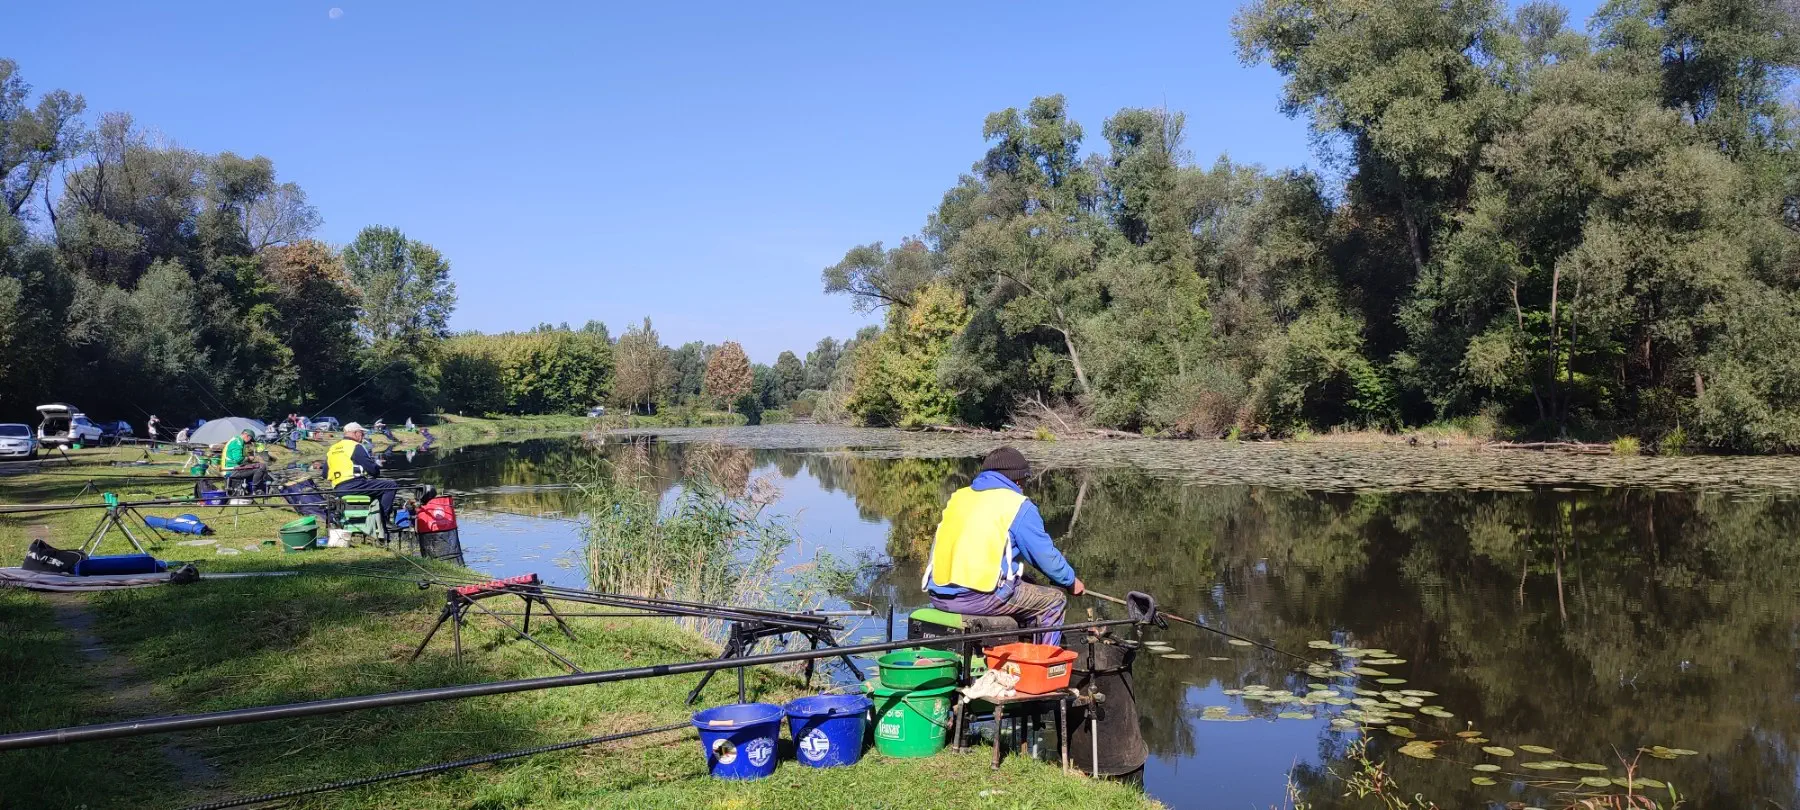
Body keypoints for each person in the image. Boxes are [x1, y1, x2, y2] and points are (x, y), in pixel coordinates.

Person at [922, 446, 1084, 646]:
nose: (1023, 486)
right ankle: (1045, 665)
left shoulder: (959, 497)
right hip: (978, 599)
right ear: (1017, 480)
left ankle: (1016, 644)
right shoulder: (1017, 505)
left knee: (1028, 580)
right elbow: (1045, 556)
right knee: (1054, 601)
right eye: (1024, 481)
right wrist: (1070, 581)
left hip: (938, 594)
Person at [327, 422, 398, 518]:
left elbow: (324, 473)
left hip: (338, 489)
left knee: (374, 487)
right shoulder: (355, 446)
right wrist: (376, 468)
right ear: (355, 433)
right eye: (362, 433)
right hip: (354, 486)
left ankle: (369, 516)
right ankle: (384, 520)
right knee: (390, 485)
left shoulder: (332, 448)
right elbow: (373, 470)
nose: (363, 436)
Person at [222, 428, 267, 494]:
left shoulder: (236, 440)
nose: (249, 442)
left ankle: (253, 487)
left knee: (257, 464)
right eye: (250, 439)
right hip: (231, 470)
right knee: (261, 466)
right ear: (247, 435)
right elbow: (238, 459)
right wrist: (248, 458)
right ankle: (255, 490)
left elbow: (238, 459)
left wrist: (248, 460)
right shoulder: (238, 442)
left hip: (232, 468)